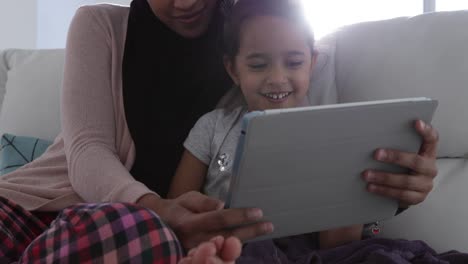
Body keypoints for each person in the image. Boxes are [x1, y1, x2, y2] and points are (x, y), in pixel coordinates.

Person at [0, 0, 439, 263]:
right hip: (43, 209)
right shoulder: (100, 26)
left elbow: (321, 157)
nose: (186, 2)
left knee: (133, 233)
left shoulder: (254, 34)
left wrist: (391, 188)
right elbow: (86, 150)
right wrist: (159, 208)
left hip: (142, 239)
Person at [168, 0, 440, 257]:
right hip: (237, 250)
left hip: (321, 252)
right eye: (258, 65)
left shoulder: (336, 131)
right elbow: (178, 214)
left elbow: (339, 244)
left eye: (295, 63)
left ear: (311, 63)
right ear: (233, 69)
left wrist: (357, 197)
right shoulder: (213, 127)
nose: (276, 78)